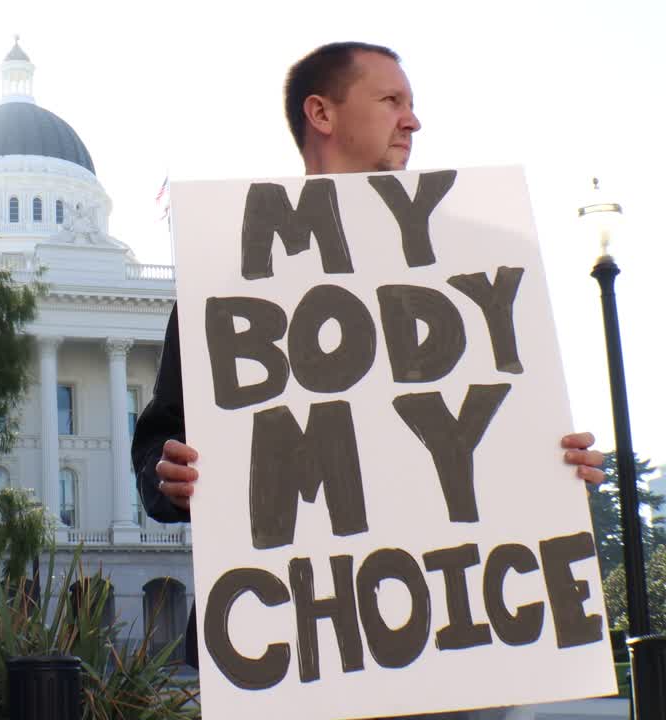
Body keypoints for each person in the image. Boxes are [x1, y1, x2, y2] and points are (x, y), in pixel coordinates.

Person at [130, 41, 606, 718]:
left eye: (412, 105)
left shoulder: (465, 265)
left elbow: (491, 434)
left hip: (458, 652)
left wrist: (556, 468)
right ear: (321, 113)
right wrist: (167, 475)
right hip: (297, 654)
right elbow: (156, 446)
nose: (413, 122)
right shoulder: (229, 277)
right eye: (392, 101)